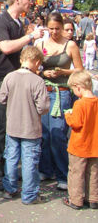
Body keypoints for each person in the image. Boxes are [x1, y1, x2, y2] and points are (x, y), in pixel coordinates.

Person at [0, 0, 44, 192]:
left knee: (11, 127)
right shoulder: (1, 21)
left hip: (13, 78)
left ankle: (5, 171)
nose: (31, 1)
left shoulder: (18, 22)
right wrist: (30, 36)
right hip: (0, 80)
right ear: (17, 0)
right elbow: (6, 47)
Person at [37, 12, 83, 190]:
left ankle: (63, 174)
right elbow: (32, 66)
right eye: (51, 29)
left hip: (62, 92)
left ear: (62, 27)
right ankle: (45, 169)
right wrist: (43, 73)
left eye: (57, 28)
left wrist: (63, 72)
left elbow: (79, 69)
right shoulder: (40, 44)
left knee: (58, 134)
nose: (54, 32)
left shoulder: (70, 45)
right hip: (44, 91)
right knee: (44, 134)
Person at [0, 46, 50, 205]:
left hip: (12, 126)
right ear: (37, 62)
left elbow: (1, 98)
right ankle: (29, 195)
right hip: (31, 128)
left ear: (21, 60)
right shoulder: (38, 81)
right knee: (29, 161)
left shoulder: (10, 77)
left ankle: (10, 188)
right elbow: (43, 107)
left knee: (11, 158)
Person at [63, 70, 98, 210]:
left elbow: (76, 123)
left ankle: (75, 200)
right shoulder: (96, 101)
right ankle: (93, 199)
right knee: (93, 172)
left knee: (76, 173)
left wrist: (68, 115)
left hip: (79, 145)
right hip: (94, 144)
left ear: (78, 87)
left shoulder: (79, 104)